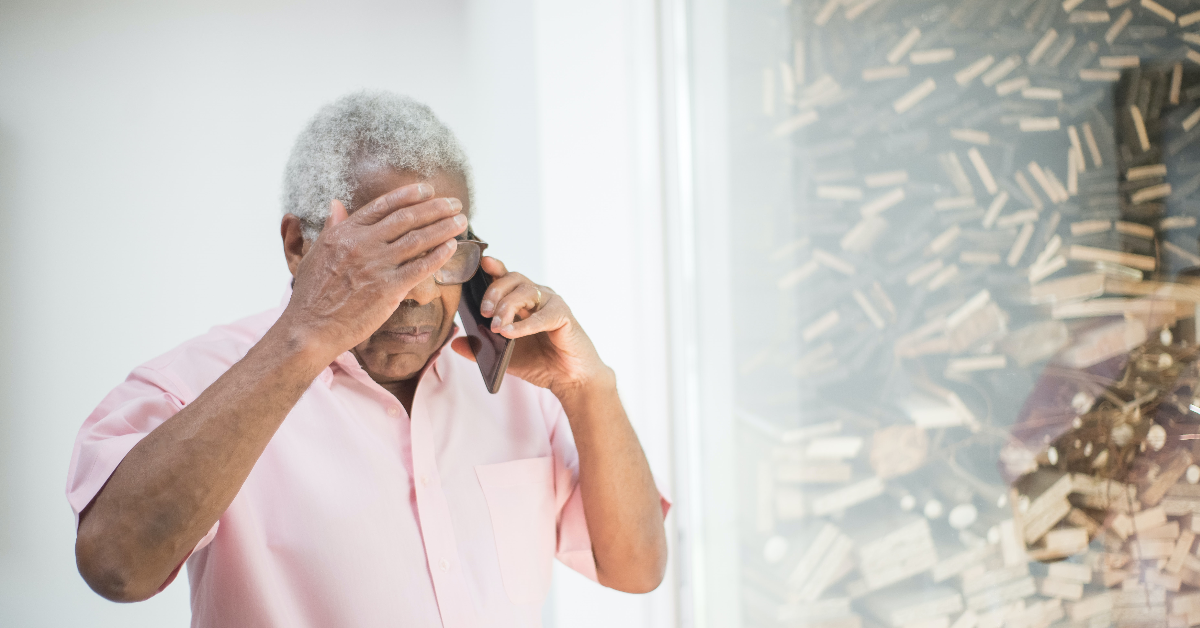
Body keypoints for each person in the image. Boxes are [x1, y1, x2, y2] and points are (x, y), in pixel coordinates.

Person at [66, 91, 669, 627]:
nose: (419, 291)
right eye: (386, 253)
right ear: (300, 247)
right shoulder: (188, 387)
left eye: (441, 253)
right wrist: (306, 336)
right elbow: (117, 569)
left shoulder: (520, 380)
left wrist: (588, 388)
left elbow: (637, 569)